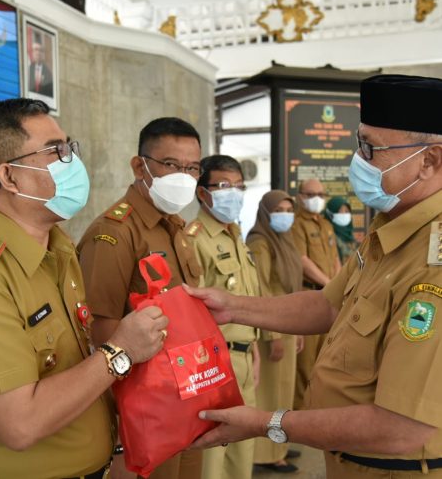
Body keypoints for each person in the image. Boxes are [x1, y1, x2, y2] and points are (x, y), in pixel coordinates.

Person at [186, 74, 442, 478]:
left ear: (430, 161)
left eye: (371, 148)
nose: (358, 159)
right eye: (360, 143)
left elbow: (402, 428)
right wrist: (233, 307)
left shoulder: (434, 262)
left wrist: (267, 423)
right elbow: (327, 304)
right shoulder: (391, 229)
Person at [0, 98, 168, 479]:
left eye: (69, 147)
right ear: (10, 177)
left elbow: (76, 372)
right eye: (55, 151)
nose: (71, 162)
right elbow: (19, 424)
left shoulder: (59, 250)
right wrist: (121, 352)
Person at [77, 117, 203, 479]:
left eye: (192, 167)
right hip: (147, 405)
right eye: (171, 165)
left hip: (189, 391)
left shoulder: (175, 226)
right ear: (139, 165)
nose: (184, 175)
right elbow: (101, 333)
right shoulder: (113, 233)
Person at [186, 154, 260, 479]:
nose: (234, 193)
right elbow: (190, 315)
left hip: (244, 359)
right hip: (214, 363)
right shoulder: (193, 239)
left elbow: (248, 300)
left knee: (242, 457)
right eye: (224, 186)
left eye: (239, 186)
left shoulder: (236, 236)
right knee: (213, 461)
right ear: (203, 193)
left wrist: (253, 347)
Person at [246, 190, 303, 474]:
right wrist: (273, 334)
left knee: (284, 390)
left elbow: (292, 287)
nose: (284, 215)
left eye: (288, 209)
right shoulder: (260, 242)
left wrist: (298, 327)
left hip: (287, 323)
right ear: (266, 212)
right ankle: (266, 453)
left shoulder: (283, 240)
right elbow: (262, 290)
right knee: (270, 393)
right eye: (278, 209)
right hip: (272, 327)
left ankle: (279, 445)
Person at [292, 178, 341, 410]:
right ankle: (299, 418)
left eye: (321, 194)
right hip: (310, 297)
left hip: (330, 297)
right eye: (311, 194)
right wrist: (331, 284)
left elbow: (335, 259)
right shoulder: (295, 225)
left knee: (325, 360)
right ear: (300, 196)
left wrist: (339, 285)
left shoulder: (325, 224)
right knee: (305, 364)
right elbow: (302, 261)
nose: (317, 199)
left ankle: (318, 410)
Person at [324, 196, 359, 264]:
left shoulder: (350, 235)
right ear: (330, 214)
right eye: (340, 211)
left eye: (346, 211)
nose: (344, 214)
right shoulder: (326, 234)